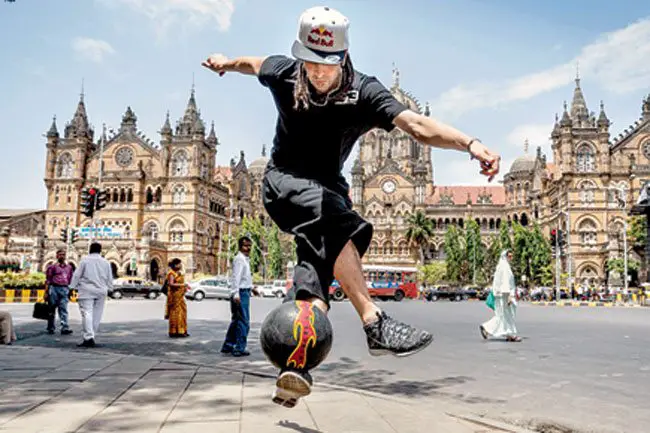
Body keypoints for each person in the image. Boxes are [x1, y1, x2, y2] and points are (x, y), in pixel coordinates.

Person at [202, 5, 501, 404]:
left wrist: (470, 143)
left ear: (343, 56)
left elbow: (417, 126)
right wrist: (225, 63)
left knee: (314, 283)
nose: (317, 72)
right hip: (283, 182)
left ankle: (295, 369)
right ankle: (373, 320)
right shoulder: (285, 72)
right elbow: (251, 63)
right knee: (335, 215)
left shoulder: (365, 92)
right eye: (310, 62)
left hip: (329, 188)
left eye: (326, 63)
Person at [221, 235, 259, 356]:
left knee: (236, 321)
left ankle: (228, 345)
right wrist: (235, 293)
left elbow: (244, 278)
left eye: (249, 246)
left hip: (244, 291)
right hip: (240, 293)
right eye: (245, 246)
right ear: (240, 246)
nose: (248, 248)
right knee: (244, 322)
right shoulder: (239, 259)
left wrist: (252, 288)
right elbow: (235, 278)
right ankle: (239, 348)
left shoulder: (244, 260)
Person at [69, 242, 113, 347]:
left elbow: (77, 275)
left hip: (86, 290)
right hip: (101, 290)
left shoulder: (85, 261)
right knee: (97, 315)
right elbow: (109, 277)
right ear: (100, 250)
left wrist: (71, 288)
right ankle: (91, 336)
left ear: (90, 249)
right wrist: (110, 288)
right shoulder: (105, 262)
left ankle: (88, 337)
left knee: (87, 313)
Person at [480, 250, 521, 342]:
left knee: (502, 315)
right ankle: (510, 335)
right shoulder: (505, 267)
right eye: (509, 256)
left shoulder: (500, 266)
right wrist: (510, 295)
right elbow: (506, 282)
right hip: (505, 295)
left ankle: (489, 329)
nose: (511, 258)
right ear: (505, 256)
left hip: (500, 295)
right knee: (507, 315)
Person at [44, 249, 74, 335]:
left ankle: (64, 327)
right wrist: (46, 292)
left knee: (63, 309)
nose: (62, 256)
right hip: (54, 288)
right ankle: (50, 327)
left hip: (65, 289)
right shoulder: (52, 267)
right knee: (51, 309)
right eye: (60, 254)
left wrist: (70, 290)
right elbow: (48, 280)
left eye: (63, 254)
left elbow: (70, 279)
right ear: (57, 256)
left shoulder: (69, 267)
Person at [165, 258, 189, 338]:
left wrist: (185, 287)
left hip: (180, 296)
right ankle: (175, 331)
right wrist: (183, 285)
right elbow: (171, 284)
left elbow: (180, 282)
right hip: (174, 297)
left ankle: (182, 330)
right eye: (179, 264)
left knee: (183, 313)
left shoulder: (178, 273)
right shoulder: (171, 273)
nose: (180, 266)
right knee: (176, 314)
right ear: (175, 265)